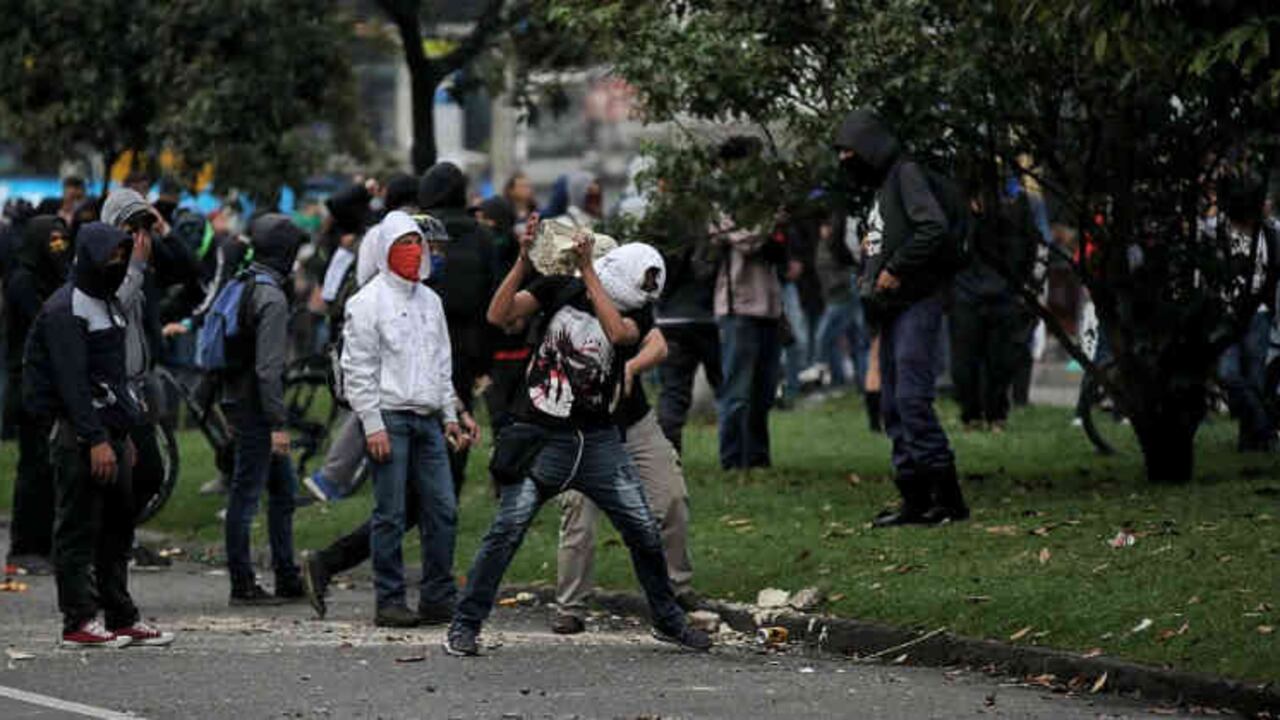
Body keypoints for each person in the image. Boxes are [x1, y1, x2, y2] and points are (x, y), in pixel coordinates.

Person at [443, 234, 712, 657]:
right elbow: (499, 314)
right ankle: (465, 625)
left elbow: (620, 336)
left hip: (599, 440)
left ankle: (667, 620)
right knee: (506, 531)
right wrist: (521, 261)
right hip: (540, 436)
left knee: (642, 528)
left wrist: (589, 272)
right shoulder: (558, 288)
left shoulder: (635, 312)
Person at [24, 222, 174, 648]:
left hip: (112, 432)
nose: (117, 264)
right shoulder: (65, 309)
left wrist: (123, 434)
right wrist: (96, 440)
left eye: (121, 257)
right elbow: (73, 384)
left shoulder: (106, 303)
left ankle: (120, 614)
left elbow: (113, 375)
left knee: (116, 526)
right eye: (111, 257)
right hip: (80, 436)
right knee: (77, 527)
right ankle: (79, 619)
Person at [833, 108, 968, 526]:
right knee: (892, 403)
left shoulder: (906, 175)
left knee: (910, 398)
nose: (843, 160)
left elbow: (933, 229)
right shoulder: (883, 186)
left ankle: (947, 500)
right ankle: (914, 499)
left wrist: (894, 270)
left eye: (848, 150)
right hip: (893, 308)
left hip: (917, 302)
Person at [341, 210, 468, 627]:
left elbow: (441, 362)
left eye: (418, 244)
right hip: (390, 419)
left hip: (429, 419)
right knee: (390, 514)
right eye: (403, 246)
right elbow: (357, 369)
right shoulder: (367, 303)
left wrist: (450, 414)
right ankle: (390, 600)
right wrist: (372, 424)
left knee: (443, 510)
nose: (414, 253)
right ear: (385, 251)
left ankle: (437, 596)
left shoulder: (431, 302)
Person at [554, 319, 698, 634]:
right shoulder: (559, 309)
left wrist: (630, 367)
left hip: (635, 422)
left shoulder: (624, 296)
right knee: (578, 513)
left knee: (671, 497)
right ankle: (571, 606)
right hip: (582, 428)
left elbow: (658, 345)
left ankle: (676, 590)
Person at [221, 213, 306, 604]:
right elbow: (268, 369)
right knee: (247, 494)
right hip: (258, 408)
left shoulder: (245, 280)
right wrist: (277, 423)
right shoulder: (271, 297)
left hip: (240, 398)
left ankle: (287, 576)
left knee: (283, 490)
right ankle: (243, 583)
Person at [419, 162, 498, 496]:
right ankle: (451, 483)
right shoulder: (480, 235)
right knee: (458, 409)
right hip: (466, 343)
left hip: (421, 338)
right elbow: (492, 292)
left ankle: (423, 487)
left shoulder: (418, 230)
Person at [4, 216, 73, 574]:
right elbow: (43, 323)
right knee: (33, 467)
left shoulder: (54, 278)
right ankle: (24, 546)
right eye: (54, 242)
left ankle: (45, 544)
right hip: (27, 384)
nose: (59, 249)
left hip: (50, 383)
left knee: (50, 467)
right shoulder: (23, 280)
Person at [713, 137, 785, 470]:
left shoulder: (766, 199)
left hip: (769, 305)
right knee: (737, 390)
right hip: (737, 306)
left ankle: (758, 458)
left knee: (764, 389)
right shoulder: (721, 202)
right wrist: (773, 219)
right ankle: (732, 460)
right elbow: (747, 240)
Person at [949, 183, 1038, 432]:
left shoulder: (1014, 206)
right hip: (979, 292)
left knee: (996, 361)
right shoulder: (962, 207)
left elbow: (1028, 247)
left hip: (995, 292)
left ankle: (989, 414)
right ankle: (978, 414)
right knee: (971, 363)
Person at [655, 223, 722, 454]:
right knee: (726, 388)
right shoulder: (712, 226)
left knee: (673, 391)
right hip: (708, 318)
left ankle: (669, 455)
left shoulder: (662, 227)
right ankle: (738, 454)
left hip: (671, 320)